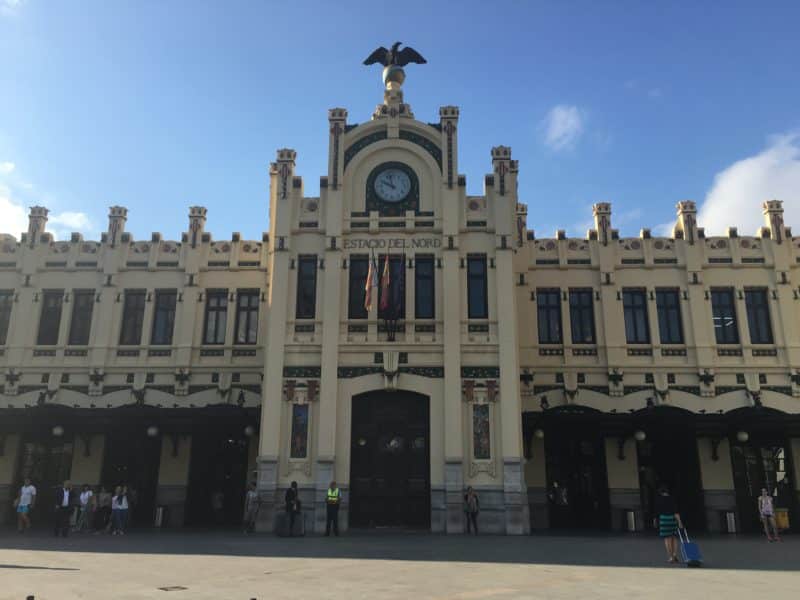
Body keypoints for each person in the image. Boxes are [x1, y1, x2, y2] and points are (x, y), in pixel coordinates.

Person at [654, 485, 683, 563]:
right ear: (667, 491)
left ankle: (670, 557)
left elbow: (656, 512)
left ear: (660, 493)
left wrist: (655, 521)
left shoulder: (658, 500)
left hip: (663, 520)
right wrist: (680, 522)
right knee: (674, 538)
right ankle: (674, 555)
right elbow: (676, 511)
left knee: (667, 539)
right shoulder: (672, 499)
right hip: (672, 520)